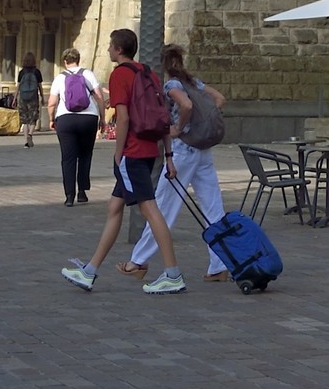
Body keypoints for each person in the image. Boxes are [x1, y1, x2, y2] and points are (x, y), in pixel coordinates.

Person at [61, 27, 184, 295]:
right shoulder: (148, 72)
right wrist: (168, 154)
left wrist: (118, 154)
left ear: (118, 50)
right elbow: (161, 116)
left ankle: (173, 274)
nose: (107, 50)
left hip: (132, 151)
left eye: (109, 46)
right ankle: (90, 270)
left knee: (150, 210)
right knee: (114, 207)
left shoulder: (120, 75)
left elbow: (124, 117)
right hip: (149, 148)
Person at [125, 44, 229, 283]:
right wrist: (203, 124)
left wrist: (181, 127)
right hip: (204, 151)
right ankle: (220, 264)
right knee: (213, 208)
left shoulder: (172, 85)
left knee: (162, 207)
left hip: (183, 152)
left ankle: (138, 260)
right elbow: (219, 100)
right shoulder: (196, 83)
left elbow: (187, 105)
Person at [48, 48, 101, 203]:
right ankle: (82, 192)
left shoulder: (59, 78)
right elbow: (99, 97)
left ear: (65, 61)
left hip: (65, 119)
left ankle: (69, 196)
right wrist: (102, 118)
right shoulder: (88, 74)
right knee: (85, 155)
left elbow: (52, 103)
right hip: (88, 117)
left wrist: (51, 119)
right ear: (79, 59)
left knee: (68, 158)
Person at [16, 52, 43, 148]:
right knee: (33, 117)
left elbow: (18, 86)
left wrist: (15, 98)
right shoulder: (37, 72)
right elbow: (40, 86)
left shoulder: (21, 72)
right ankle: (30, 134)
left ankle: (26, 141)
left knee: (25, 119)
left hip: (23, 97)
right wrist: (42, 97)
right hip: (33, 97)